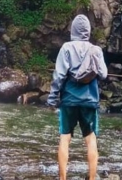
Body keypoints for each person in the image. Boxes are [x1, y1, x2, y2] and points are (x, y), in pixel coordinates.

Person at [47, 14, 108, 180]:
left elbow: (59, 76)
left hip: (69, 100)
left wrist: (52, 99)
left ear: (72, 30)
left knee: (65, 138)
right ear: (88, 31)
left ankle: (62, 178)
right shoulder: (96, 50)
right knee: (90, 139)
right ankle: (92, 177)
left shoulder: (66, 48)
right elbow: (103, 74)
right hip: (90, 100)